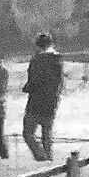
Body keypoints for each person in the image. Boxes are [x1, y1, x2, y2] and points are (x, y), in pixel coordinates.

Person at [21, 32, 64, 162]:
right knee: (47, 134)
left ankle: (41, 156)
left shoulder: (36, 61)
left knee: (28, 133)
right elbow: (59, 82)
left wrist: (26, 88)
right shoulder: (58, 60)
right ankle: (49, 158)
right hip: (52, 100)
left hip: (36, 101)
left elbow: (34, 81)